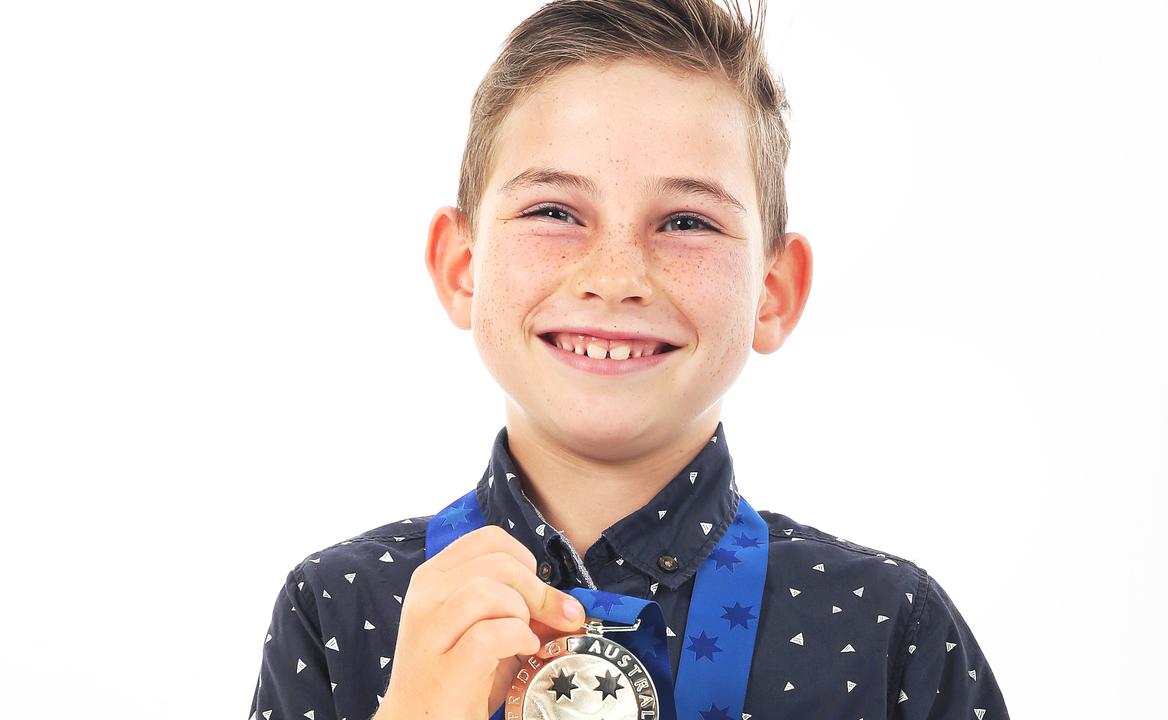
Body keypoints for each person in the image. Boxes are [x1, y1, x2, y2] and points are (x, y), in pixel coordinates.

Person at [247, 1, 1009, 718]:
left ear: (773, 292)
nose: (614, 278)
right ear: (461, 268)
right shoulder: (339, 610)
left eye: (685, 221)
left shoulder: (890, 629)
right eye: (553, 212)